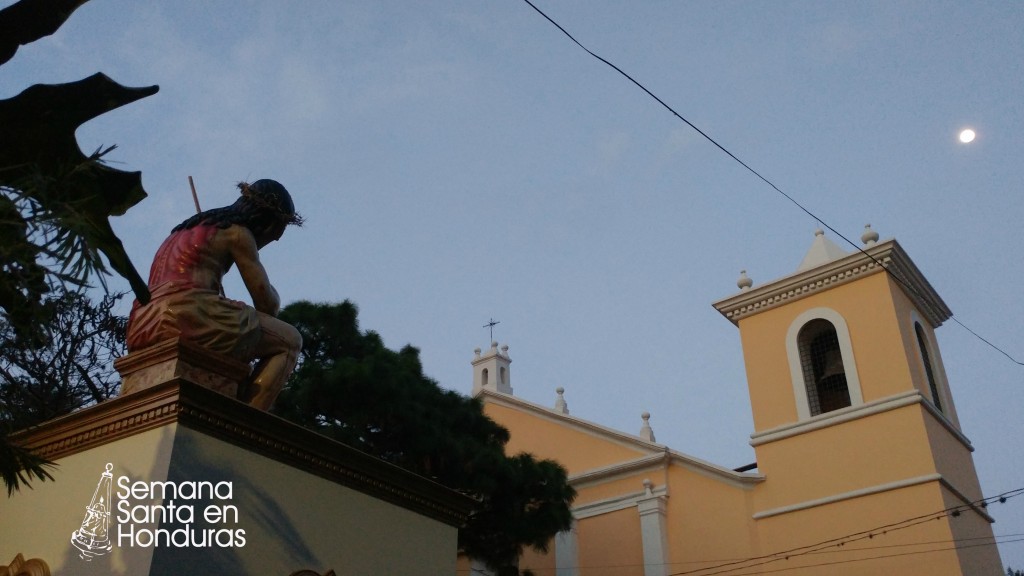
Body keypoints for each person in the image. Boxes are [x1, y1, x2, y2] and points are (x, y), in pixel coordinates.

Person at [126, 179, 303, 410]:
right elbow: (266, 304)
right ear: (269, 225)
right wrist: (275, 296)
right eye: (275, 235)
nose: (271, 242)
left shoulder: (182, 230)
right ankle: (246, 423)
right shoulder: (237, 233)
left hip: (141, 321)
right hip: (186, 312)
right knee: (289, 341)